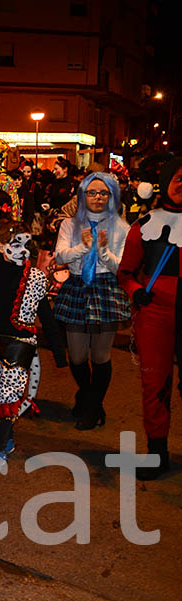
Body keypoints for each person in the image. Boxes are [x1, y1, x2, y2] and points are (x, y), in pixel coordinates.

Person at [0, 221, 67, 473]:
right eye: (17, 244)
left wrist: (59, 353)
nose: (24, 250)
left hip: (21, 343)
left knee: (6, 393)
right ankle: (7, 440)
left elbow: (46, 316)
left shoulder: (35, 278)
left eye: (28, 244)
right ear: (1, 246)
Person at [117, 157, 182, 480]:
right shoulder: (145, 225)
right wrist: (135, 290)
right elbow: (125, 272)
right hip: (155, 313)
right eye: (178, 177)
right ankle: (157, 453)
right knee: (155, 384)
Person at [54, 173, 130, 430]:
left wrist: (103, 252)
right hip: (77, 287)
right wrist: (84, 248)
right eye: (92, 192)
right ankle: (88, 397)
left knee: (100, 356)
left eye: (103, 193)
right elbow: (60, 255)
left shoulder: (121, 227)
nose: (97, 197)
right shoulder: (69, 224)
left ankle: (91, 406)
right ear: (82, 194)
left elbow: (123, 267)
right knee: (76, 357)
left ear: (112, 196)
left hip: (106, 288)